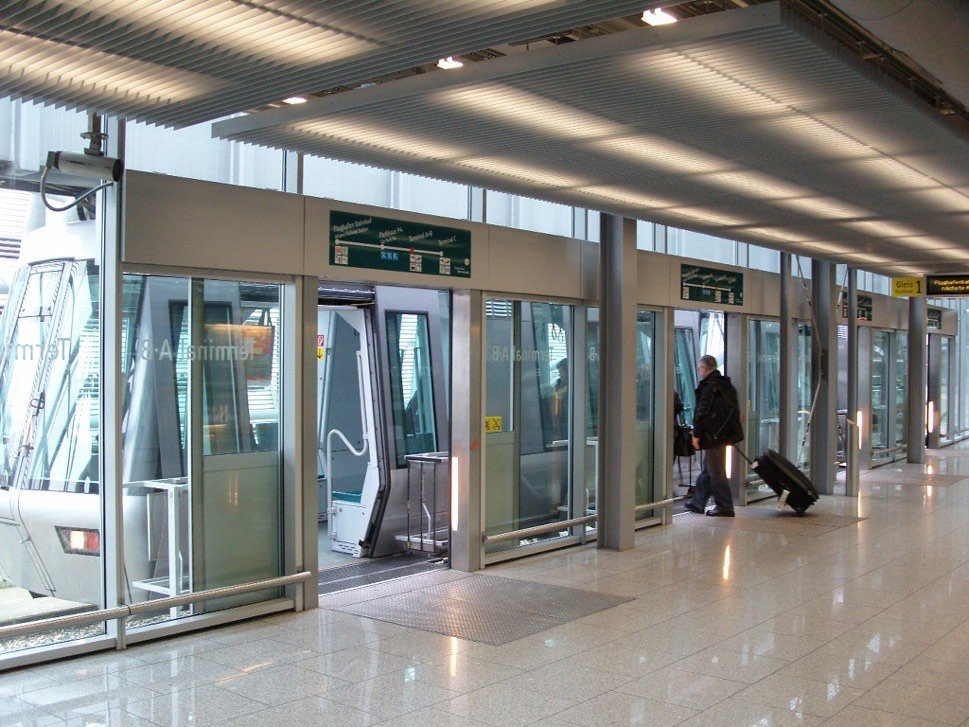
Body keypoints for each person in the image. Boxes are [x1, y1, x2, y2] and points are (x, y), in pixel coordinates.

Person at [684, 355, 744, 517]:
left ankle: (725, 505)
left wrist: (696, 434)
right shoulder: (726, 384)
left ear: (704, 368)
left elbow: (702, 411)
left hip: (712, 436)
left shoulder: (709, 385)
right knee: (708, 468)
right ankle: (698, 502)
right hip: (724, 434)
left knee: (716, 471)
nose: (698, 371)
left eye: (698, 368)